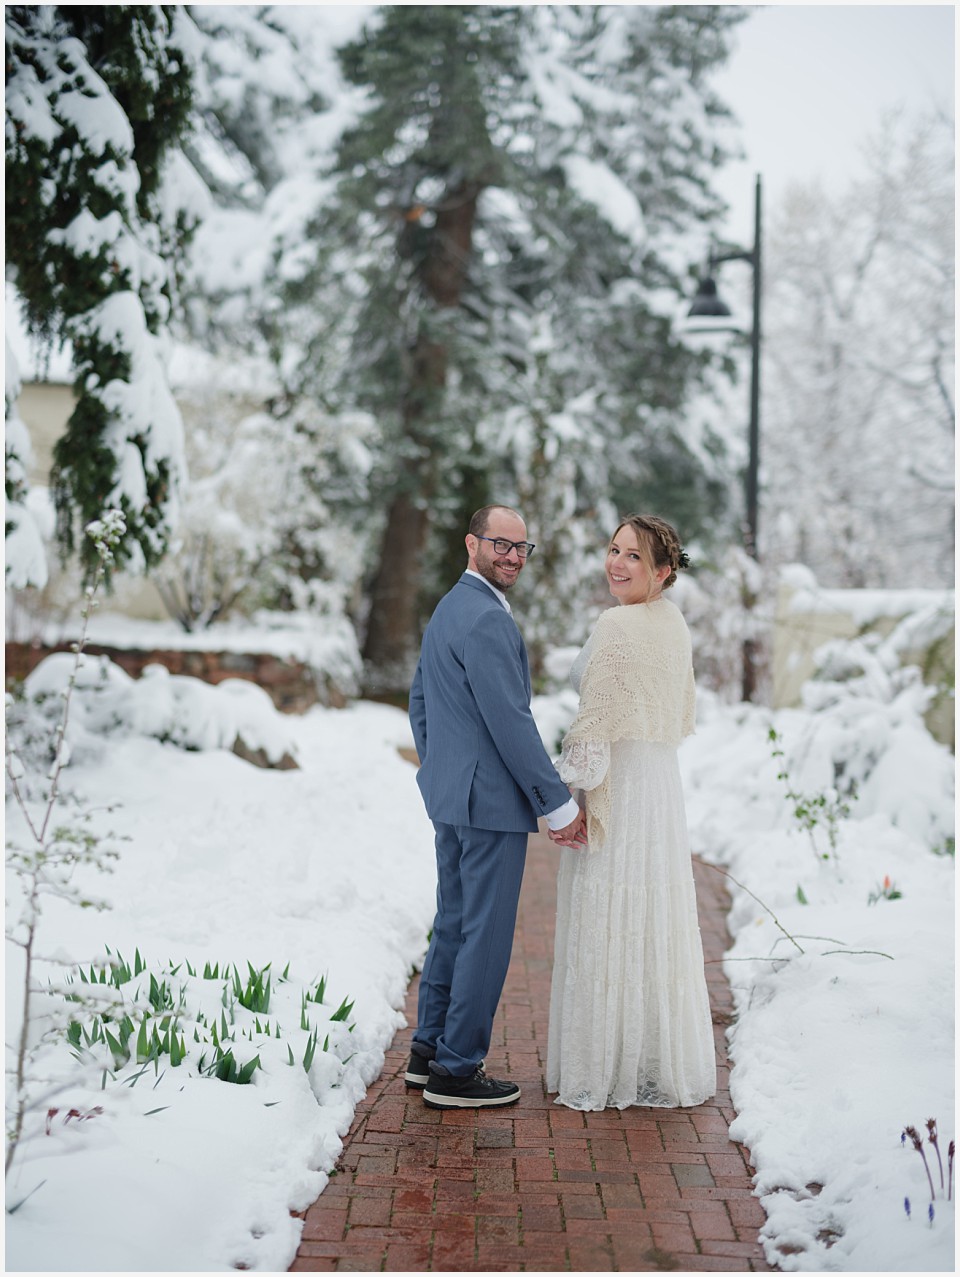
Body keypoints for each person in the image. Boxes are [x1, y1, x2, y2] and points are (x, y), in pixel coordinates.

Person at [407, 504, 587, 1109]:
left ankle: (428, 1049)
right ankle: (456, 1070)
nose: (512, 556)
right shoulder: (485, 618)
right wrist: (557, 805)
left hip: (453, 796)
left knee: (455, 923)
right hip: (486, 803)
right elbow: (510, 723)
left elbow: (420, 701)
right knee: (484, 934)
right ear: (472, 543)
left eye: (521, 548)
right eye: (500, 544)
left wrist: (438, 768)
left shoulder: (450, 607)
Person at [546, 514, 716, 1111]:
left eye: (634, 557)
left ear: (663, 571)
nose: (616, 563)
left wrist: (569, 796)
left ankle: (602, 1066)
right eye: (613, 550)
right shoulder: (674, 624)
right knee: (651, 918)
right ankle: (649, 1059)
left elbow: (593, 726)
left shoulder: (618, 625)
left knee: (608, 914)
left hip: (621, 785)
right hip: (660, 789)